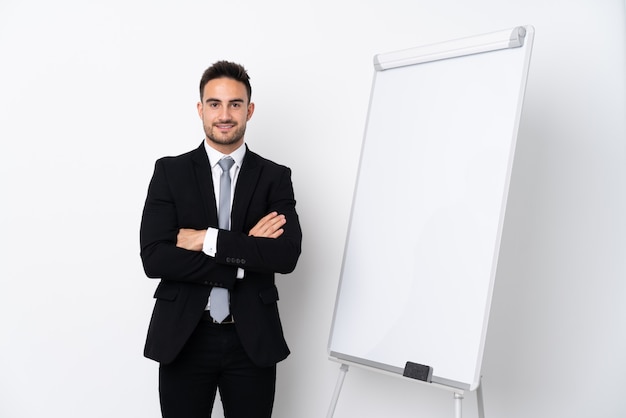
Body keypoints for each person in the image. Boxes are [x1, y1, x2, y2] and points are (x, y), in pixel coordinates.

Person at [139, 60, 302, 418]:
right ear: (201, 109)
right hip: (185, 336)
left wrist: (206, 239)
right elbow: (155, 258)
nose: (224, 114)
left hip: (252, 341)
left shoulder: (274, 177)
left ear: (250, 110)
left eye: (235, 104)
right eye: (214, 103)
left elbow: (286, 256)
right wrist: (244, 254)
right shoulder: (170, 171)